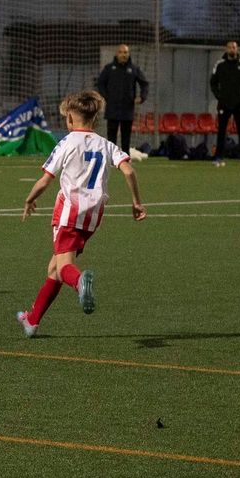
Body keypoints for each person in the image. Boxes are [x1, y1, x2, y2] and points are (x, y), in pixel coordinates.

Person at [17, 90, 145, 337]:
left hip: (69, 212)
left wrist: (29, 199)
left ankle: (79, 282)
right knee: (54, 267)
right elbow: (128, 171)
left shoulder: (66, 142)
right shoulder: (106, 144)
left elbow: (45, 180)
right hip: (94, 215)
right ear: (95, 119)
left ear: (70, 120)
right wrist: (136, 202)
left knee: (65, 266)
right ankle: (32, 320)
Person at [94, 44, 149, 154]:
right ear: (116, 54)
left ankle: (125, 157)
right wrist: (106, 97)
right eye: (121, 52)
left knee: (126, 135)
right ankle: (111, 157)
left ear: (128, 54)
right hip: (112, 107)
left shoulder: (133, 69)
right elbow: (100, 84)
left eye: (125, 52)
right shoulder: (109, 68)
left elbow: (144, 84)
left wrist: (142, 97)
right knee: (112, 134)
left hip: (127, 107)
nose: (123, 55)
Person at [210, 40, 240, 167]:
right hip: (224, 104)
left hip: (239, 104)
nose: (232, 49)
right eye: (229, 47)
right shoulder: (220, 65)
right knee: (222, 131)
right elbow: (213, 83)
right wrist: (219, 96)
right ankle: (218, 158)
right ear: (226, 49)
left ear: (237, 49)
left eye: (234, 47)